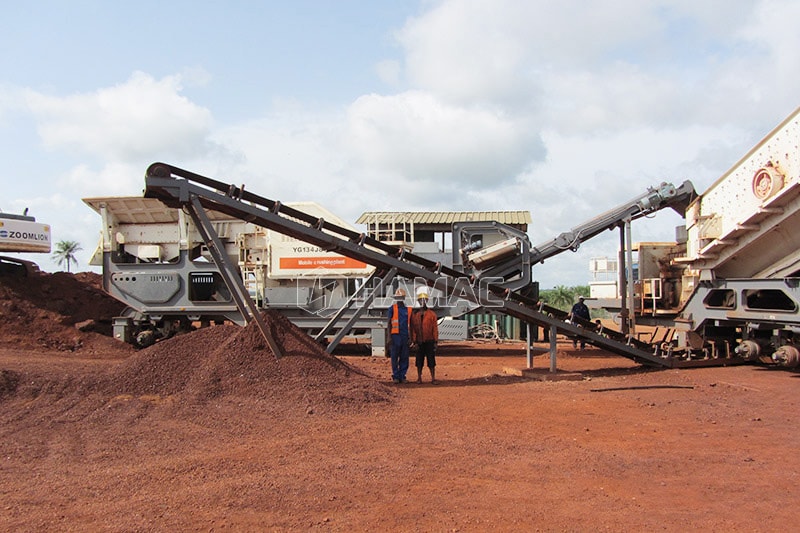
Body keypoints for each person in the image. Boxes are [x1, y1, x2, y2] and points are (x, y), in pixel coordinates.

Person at [411, 291, 439, 384]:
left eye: (424, 300)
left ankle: (433, 378)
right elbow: (413, 329)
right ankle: (419, 378)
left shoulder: (432, 314)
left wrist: (435, 341)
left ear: (426, 301)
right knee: (419, 361)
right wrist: (414, 341)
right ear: (418, 301)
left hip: (429, 340)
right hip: (419, 341)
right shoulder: (415, 315)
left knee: (431, 360)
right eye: (420, 300)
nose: (422, 302)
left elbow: (434, 328)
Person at [386, 287, 411, 383]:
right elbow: (389, 323)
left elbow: (411, 324)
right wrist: (389, 337)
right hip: (395, 336)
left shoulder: (408, 310)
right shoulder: (392, 309)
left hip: (404, 336)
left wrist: (411, 337)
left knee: (404, 357)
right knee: (394, 356)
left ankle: (402, 376)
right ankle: (396, 376)